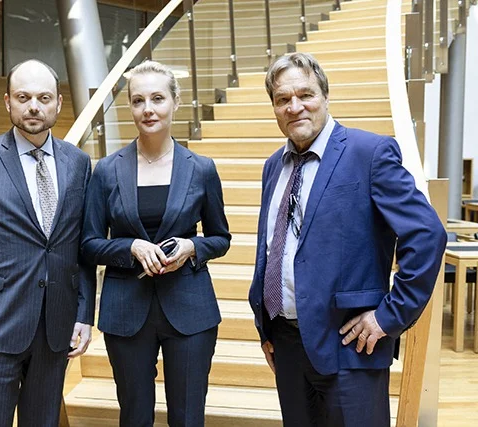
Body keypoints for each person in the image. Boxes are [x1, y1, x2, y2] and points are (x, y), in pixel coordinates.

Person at [248, 52, 446, 426]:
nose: (294, 107)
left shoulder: (369, 153)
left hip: (350, 345)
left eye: (305, 95)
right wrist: (266, 326)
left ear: (325, 96)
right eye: (282, 99)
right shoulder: (274, 165)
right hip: (286, 344)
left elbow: (427, 234)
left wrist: (390, 315)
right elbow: (273, 247)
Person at [0, 59, 95, 427]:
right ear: (7, 101)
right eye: (23, 97)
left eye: (44, 98)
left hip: (55, 328)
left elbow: (83, 247)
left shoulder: (78, 163)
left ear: (58, 103)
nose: (34, 107)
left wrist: (83, 314)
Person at [81, 60, 231, 427]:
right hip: (125, 309)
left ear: (175, 102)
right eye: (138, 101)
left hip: (190, 308)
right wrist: (129, 247)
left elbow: (220, 238)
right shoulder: (106, 170)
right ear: (130, 107)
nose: (147, 109)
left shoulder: (201, 168)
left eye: (157, 98)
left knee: (188, 416)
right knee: (134, 416)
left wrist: (192, 248)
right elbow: (89, 243)